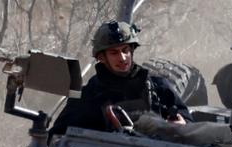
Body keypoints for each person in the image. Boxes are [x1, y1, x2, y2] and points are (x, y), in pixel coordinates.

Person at [50, 21, 189, 136]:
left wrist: (181, 126)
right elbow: (57, 137)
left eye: (125, 50)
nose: (122, 58)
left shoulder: (158, 87)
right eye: (114, 53)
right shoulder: (88, 95)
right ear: (101, 58)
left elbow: (189, 124)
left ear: (132, 51)